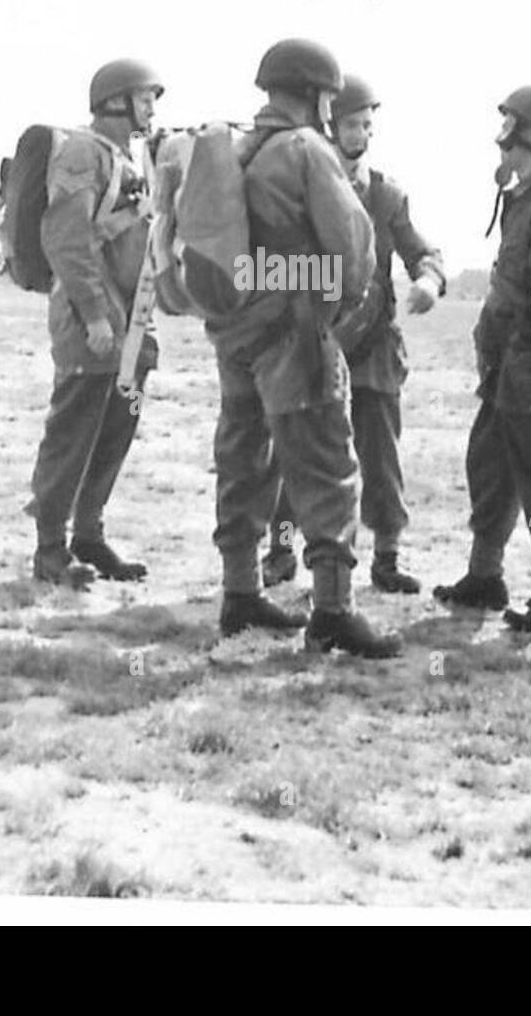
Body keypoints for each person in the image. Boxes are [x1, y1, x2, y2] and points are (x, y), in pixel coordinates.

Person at [206, 40, 402, 657]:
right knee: (325, 466)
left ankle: (240, 594)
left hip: (236, 332)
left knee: (244, 460)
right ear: (318, 94)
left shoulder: (238, 151)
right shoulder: (306, 150)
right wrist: (329, 309)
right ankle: (334, 609)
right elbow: (351, 250)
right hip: (294, 338)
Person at [263, 73, 446, 594]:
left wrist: (429, 282)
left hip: (373, 349)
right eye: (349, 124)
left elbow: (420, 252)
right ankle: (279, 549)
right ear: (329, 126)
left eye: (366, 124)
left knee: (380, 456)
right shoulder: (298, 186)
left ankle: (387, 555)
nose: (359, 134)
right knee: (294, 454)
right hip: (311, 343)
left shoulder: (387, 196)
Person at [433, 86, 531, 633]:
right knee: (491, 467)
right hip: (508, 370)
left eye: (510, 125)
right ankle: (485, 576)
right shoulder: (528, 196)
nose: (501, 136)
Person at [27, 58, 163, 589]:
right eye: (144, 97)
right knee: (73, 432)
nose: (151, 108)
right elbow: (65, 236)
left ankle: (89, 533)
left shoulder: (132, 157)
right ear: (116, 101)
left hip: (132, 322)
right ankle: (49, 548)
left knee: (116, 427)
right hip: (93, 321)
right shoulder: (82, 153)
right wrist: (94, 314)